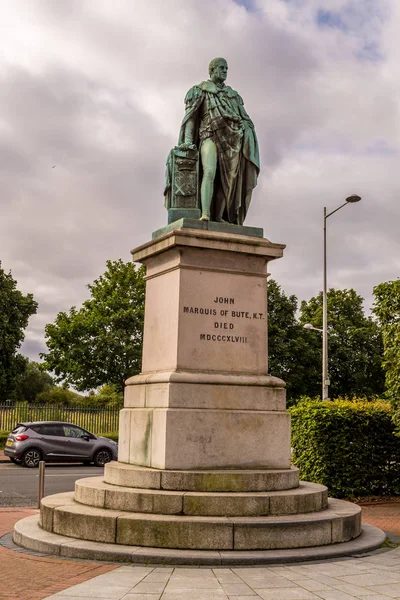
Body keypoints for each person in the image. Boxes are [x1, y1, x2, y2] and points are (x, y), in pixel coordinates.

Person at [177, 57, 260, 225]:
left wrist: (245, 125)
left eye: (226, 68)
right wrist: (187, 142)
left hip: (233, 141)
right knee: (209, 171)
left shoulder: (233, 96)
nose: (224, 71)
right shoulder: (200, 90)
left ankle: (219, 216)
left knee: (228, 182)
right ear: (212, 70)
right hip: (209, 135)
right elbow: (191, 118)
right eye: (221, 68)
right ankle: (205, 213)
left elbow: (246, 119)